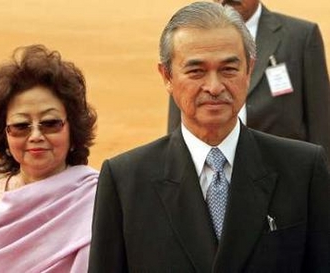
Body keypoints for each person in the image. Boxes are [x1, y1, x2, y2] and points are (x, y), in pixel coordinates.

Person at [88, 2, 330, 272]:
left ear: (249, 70)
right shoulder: (124, 182)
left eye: (228, 69)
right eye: (196, 71)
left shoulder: (303, 170)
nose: (214, 87)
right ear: (167, 76)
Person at [0, 44, 98, 272]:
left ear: (72, 129)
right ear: (4, 133)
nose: (36, 136)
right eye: (21, 126)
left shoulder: (98, 199)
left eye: (50, 124)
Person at [167, 0, 330, 162]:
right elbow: (181, 115)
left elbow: (321, 124)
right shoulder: (188, 36)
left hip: (285, 173)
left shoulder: (300, 37)